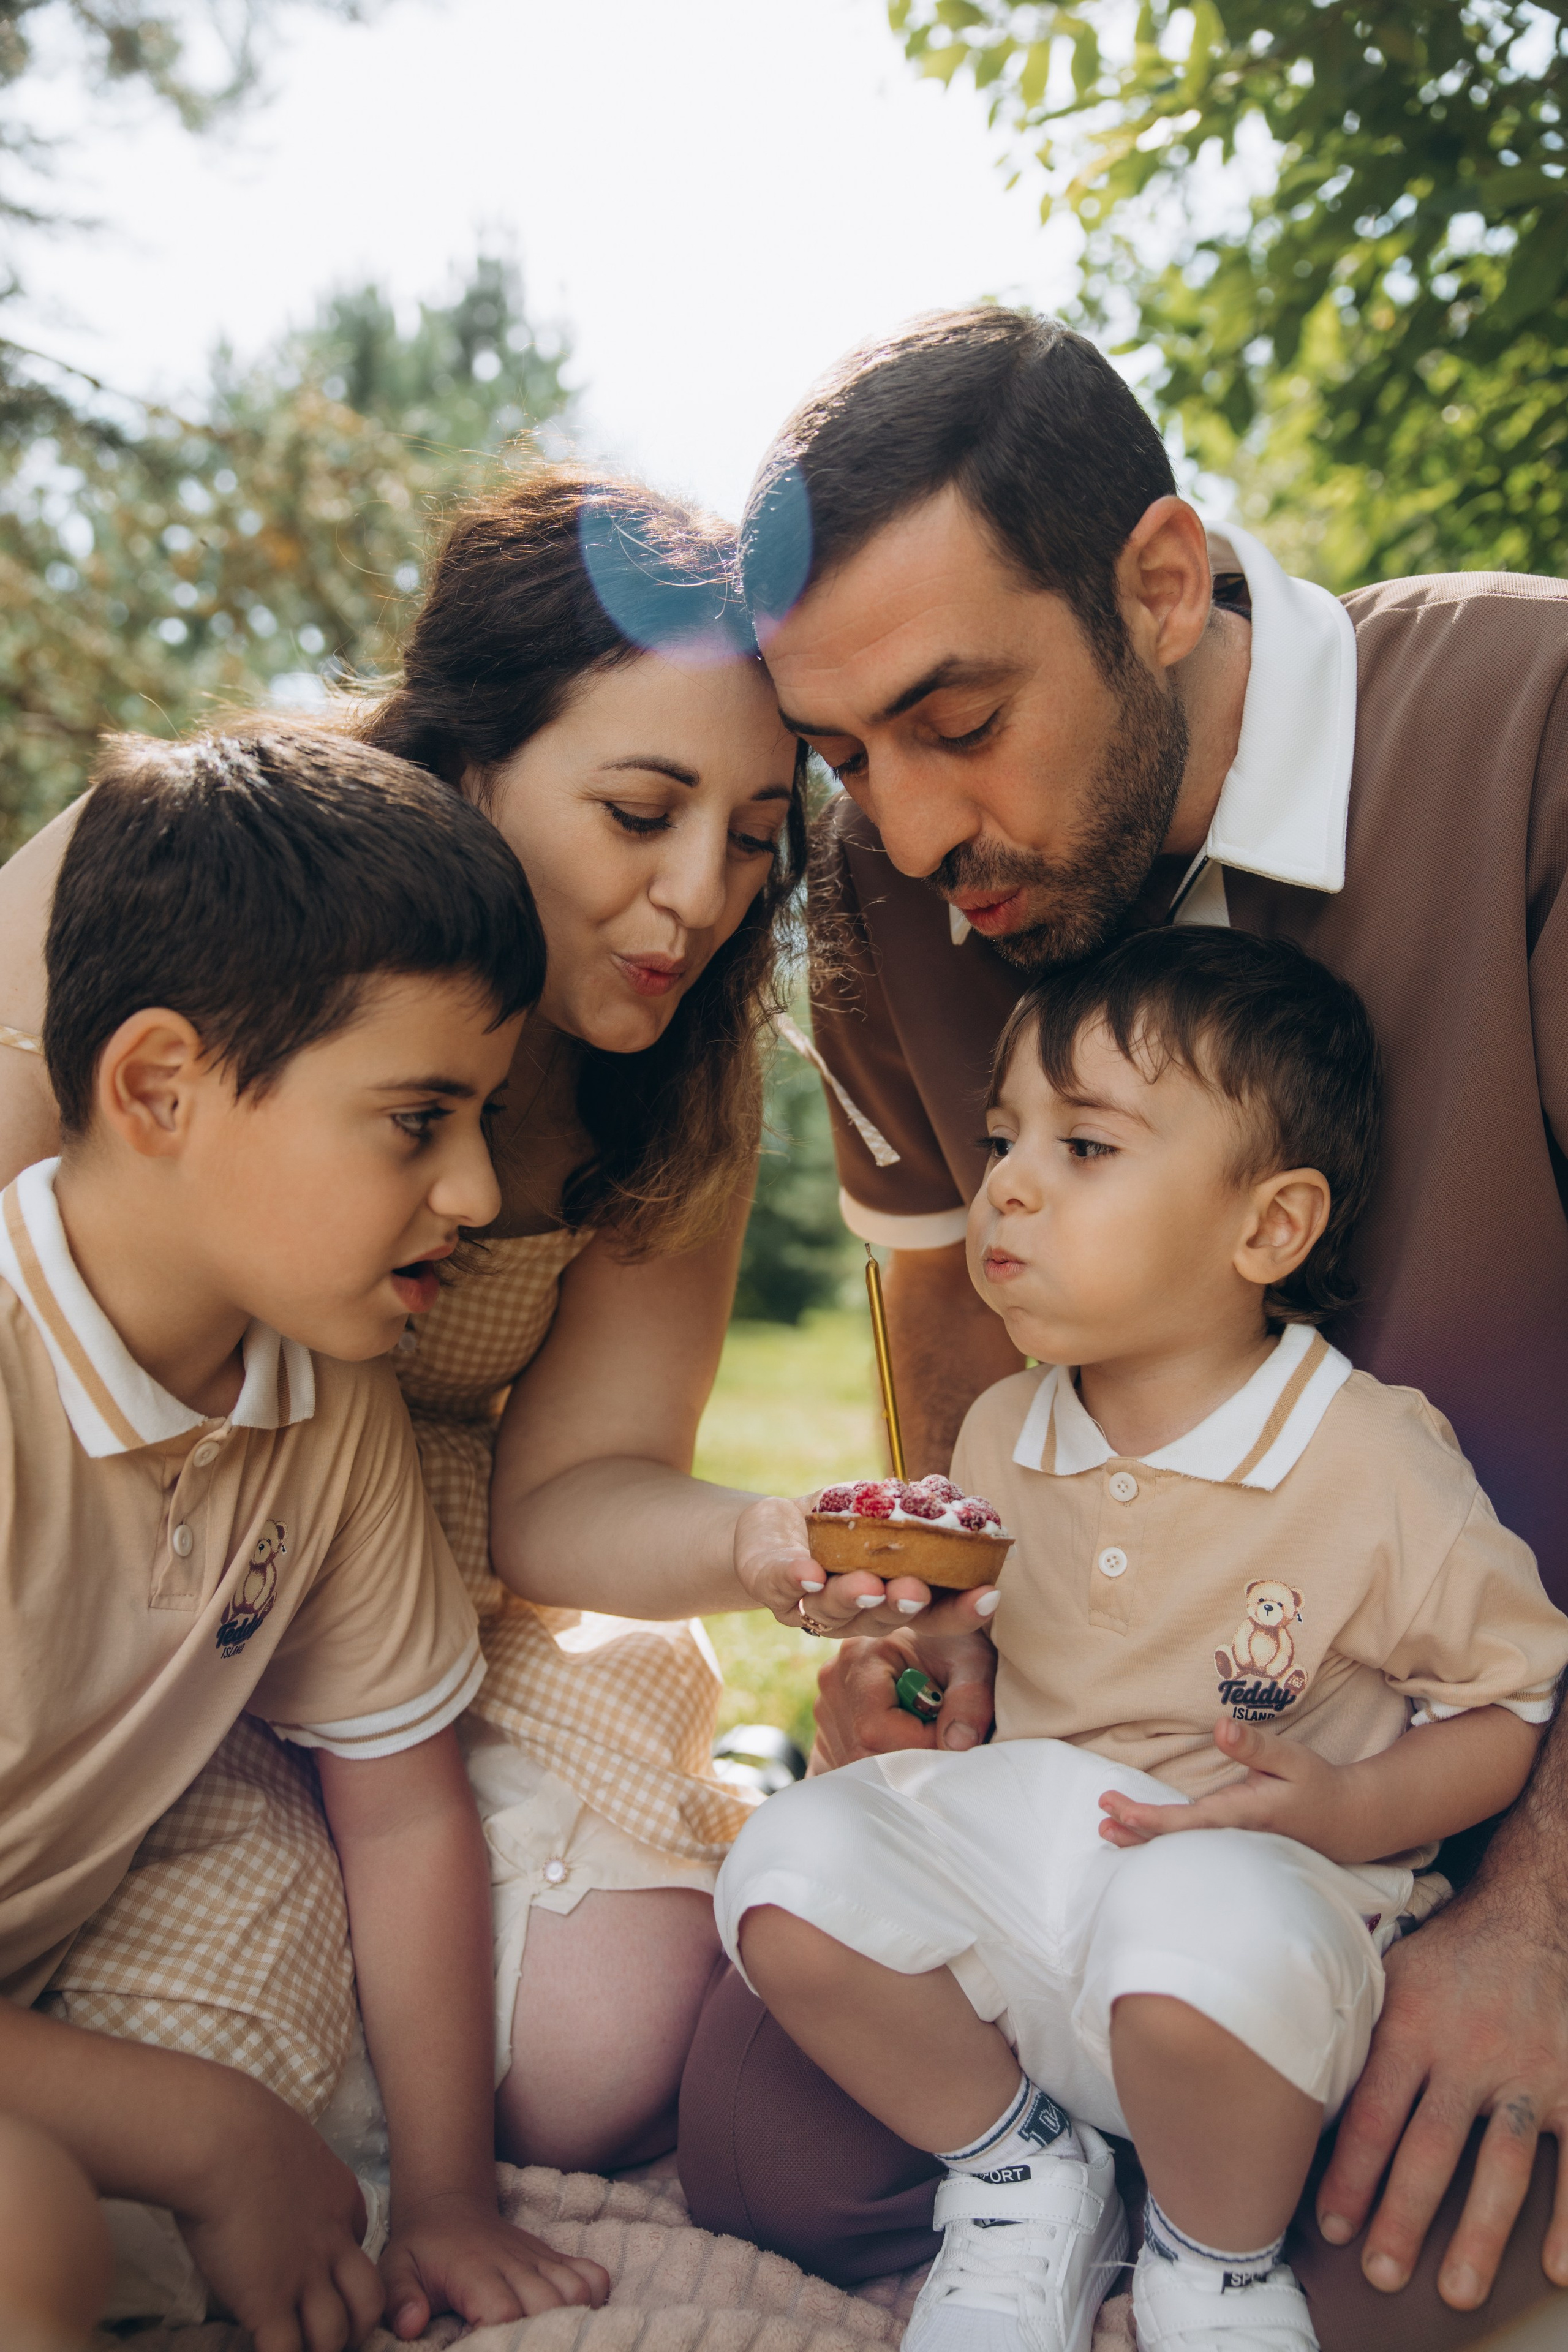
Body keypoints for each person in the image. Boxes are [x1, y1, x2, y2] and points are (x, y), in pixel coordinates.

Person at [678, 309, 1568, 2344]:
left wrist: (1544, 1915)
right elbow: (946, 1335)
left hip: (1477, 1762)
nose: (907, 834)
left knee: (1392, 2249)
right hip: (1116, 1789)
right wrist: (940, 1655)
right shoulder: (889, 894)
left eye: (957, 719)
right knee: (767, 2142)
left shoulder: (1534, 722)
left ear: (1162, 585)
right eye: (846, 758)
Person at [0, 467, 980, 2186]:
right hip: (129, 1549)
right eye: (639, 812)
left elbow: (573, 1491)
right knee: (194, 2059)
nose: (700, 899)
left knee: (596, 2054)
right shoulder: (196, 885)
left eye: (755, 837)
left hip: (429, 1569)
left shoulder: (677, 1077)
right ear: (468, 767)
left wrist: (765, 1544)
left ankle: (686, 1807)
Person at [713, 926, 1568, 2352]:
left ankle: (1210, 2257)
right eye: (1001, 1139)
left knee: (1195, 1937)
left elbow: (1508, 1704)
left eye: (1085, 1147)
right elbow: (988, 1659)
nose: (1006, 1182)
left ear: (1267, 1230)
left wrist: (1351, 1807)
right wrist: (930, 1665)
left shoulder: (1365, 1459)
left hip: (1250, 1932)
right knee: (779, 1869)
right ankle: (1017, 2174)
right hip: (1033, 1883)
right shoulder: (1004, 1427)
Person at [0, 723, 612, 2348]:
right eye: (417, 1119)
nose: (473, 1190)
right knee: (34, 2233)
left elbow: (401, 1814)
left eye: (483, 1119)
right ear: (160, 1089)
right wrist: (212, 2140)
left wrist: (449, 2198)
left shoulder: (325, 1398)